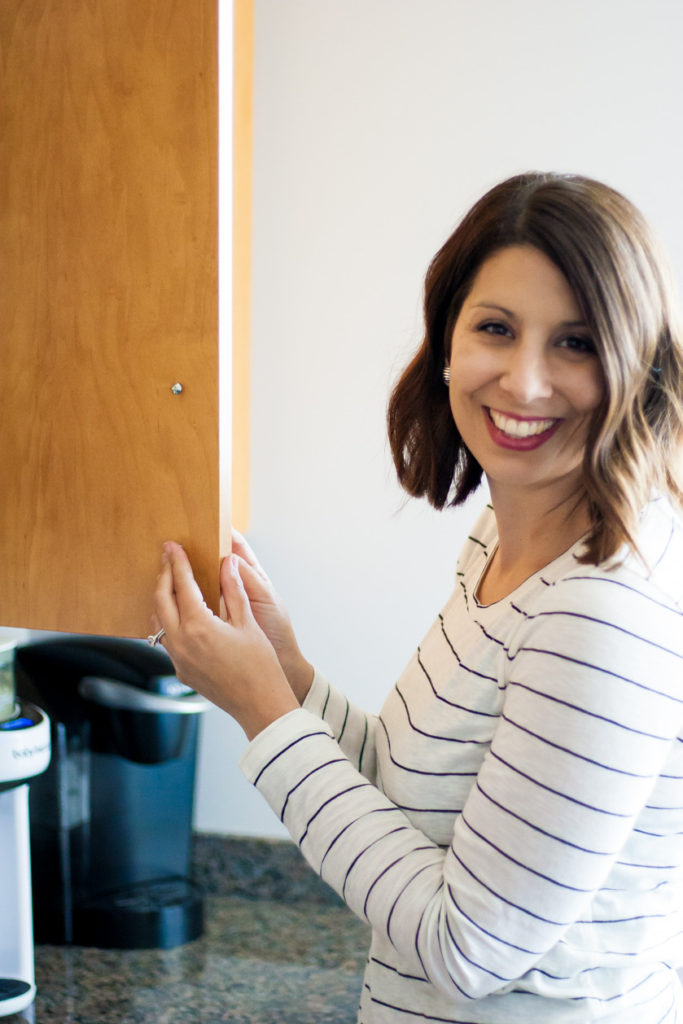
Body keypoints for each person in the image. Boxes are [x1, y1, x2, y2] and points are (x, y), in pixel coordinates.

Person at [151, 171, 683, 1023]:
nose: (524, 381)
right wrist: (288, 676)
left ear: (635, 363)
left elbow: (466, 948)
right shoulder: (504, 545)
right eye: (496, 329)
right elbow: (419, 810)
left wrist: (262, 713)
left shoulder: (599, 611)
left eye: (575, 343)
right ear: (446, 340)